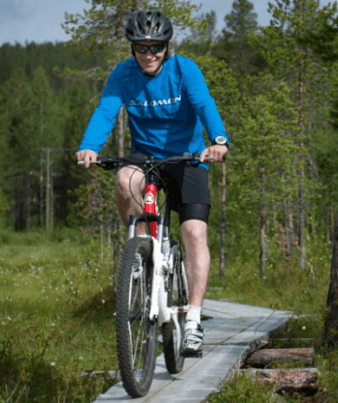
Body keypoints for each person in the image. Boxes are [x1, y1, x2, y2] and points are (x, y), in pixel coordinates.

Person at [76, 9, 229, 355]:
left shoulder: (184, 69)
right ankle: (142, 253)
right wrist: (89, 146)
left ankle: (192, 320)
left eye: (155, 48)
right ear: (132, 49)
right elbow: (105, 110)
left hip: (188, 158)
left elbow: (204, 104)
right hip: (145, 155)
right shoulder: (123, 74)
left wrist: (218, 140)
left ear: (166, 47)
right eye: (141, 48)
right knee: (124, 178)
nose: (148, 55)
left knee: (193, 232)